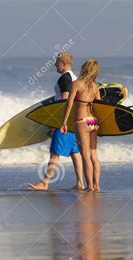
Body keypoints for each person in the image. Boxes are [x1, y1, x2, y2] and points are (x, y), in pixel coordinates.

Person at [27, 52, 84, 191]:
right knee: (74, 152)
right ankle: (80, 183)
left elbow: (64, 102)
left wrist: (55, 124)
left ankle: (44, 183)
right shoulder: (75, 78)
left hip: (62, 121)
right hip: (73, 121)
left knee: (55, 153)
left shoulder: (64, 78)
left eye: (57, 62)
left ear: (63, 63)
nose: (54, 65)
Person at [60, 59, 101, 192]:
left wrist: (64, 122)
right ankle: (97, 186)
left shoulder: (77, 84)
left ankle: (90, 186)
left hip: (82, 121)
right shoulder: (95, 87)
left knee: (85, 155)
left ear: (85, 68)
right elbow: (100, 107)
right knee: (94, 155)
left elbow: (69, 104)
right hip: (93, 122)